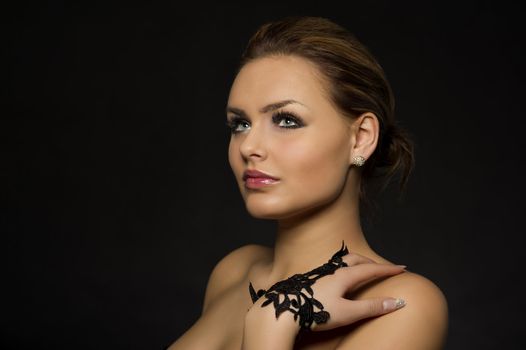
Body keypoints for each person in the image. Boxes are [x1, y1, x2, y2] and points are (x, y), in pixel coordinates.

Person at [168, 15, 448, 350]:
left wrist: (274, 321)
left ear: (360, 139)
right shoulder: (234, 271)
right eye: (240, 124)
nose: (249, 147)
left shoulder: (403, 306)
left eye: (286, 120)